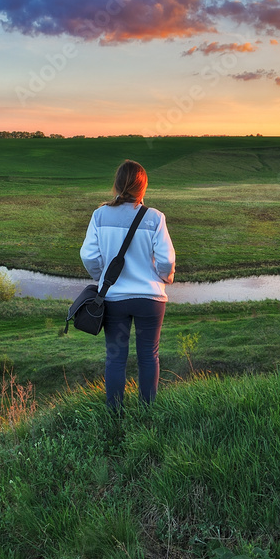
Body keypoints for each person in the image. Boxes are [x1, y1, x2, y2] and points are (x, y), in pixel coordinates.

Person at [80, 159, 176, 410]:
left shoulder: (99, 215)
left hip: (114, 300)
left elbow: (88, 256)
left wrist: (104, 278)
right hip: (150, 300)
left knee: (115, 358)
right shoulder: (155, 217)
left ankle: (115, 415)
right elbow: (167, 259)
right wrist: (163, 278)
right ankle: (148, 411)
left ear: (117, 184)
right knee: (148, 356)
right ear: (143, 187)